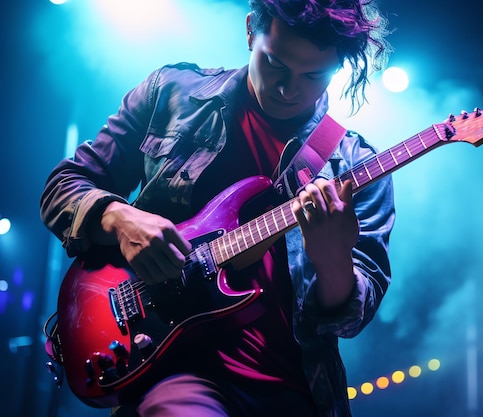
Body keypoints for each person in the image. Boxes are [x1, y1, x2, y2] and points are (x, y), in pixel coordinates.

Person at [40, 0, 395, 416]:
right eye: (275, 63)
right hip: (177, 371)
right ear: (250, 31)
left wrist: (332, 259)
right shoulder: (171, 93)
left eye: (314, 75)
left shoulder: (354, 167)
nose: (288, 89)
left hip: (297, 390)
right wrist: (120, 219)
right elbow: (63, 186)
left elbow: (348, 322)